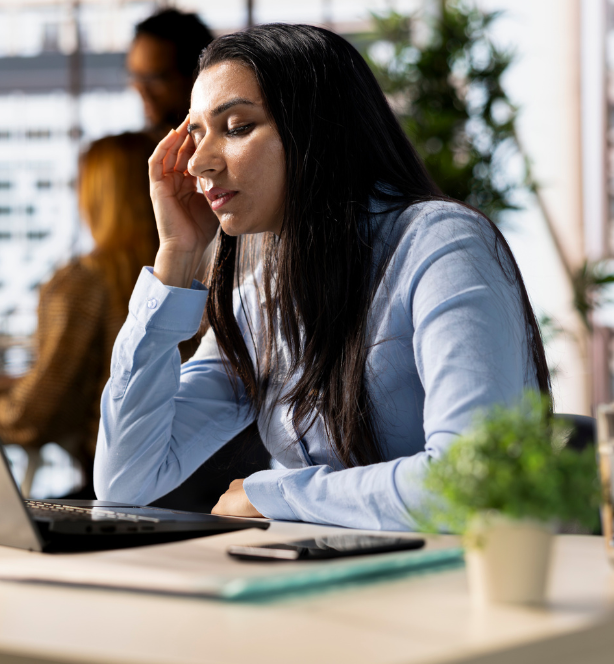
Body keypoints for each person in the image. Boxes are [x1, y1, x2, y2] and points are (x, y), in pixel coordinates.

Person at [94, 25, 550, 530]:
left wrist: (277, 494)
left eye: (238, 127)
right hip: (310, 584)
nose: (199, 163)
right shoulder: (261, 298)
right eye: (196, 135)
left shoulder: (441, 245)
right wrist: (176, 258)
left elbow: (473, 483)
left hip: (448, 589)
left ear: (316, 131)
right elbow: (125, 481)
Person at [0, 132, 158, 497]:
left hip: (119, 492)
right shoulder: (206, 277)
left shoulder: (85, 282)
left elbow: (34, 414)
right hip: (212, 491)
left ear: (95, 194)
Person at [127, 9, 213, 140]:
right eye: (136, 77)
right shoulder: (138, 152)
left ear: (195, 77)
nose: (141, 89)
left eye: (153, 78)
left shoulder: (227, 152)